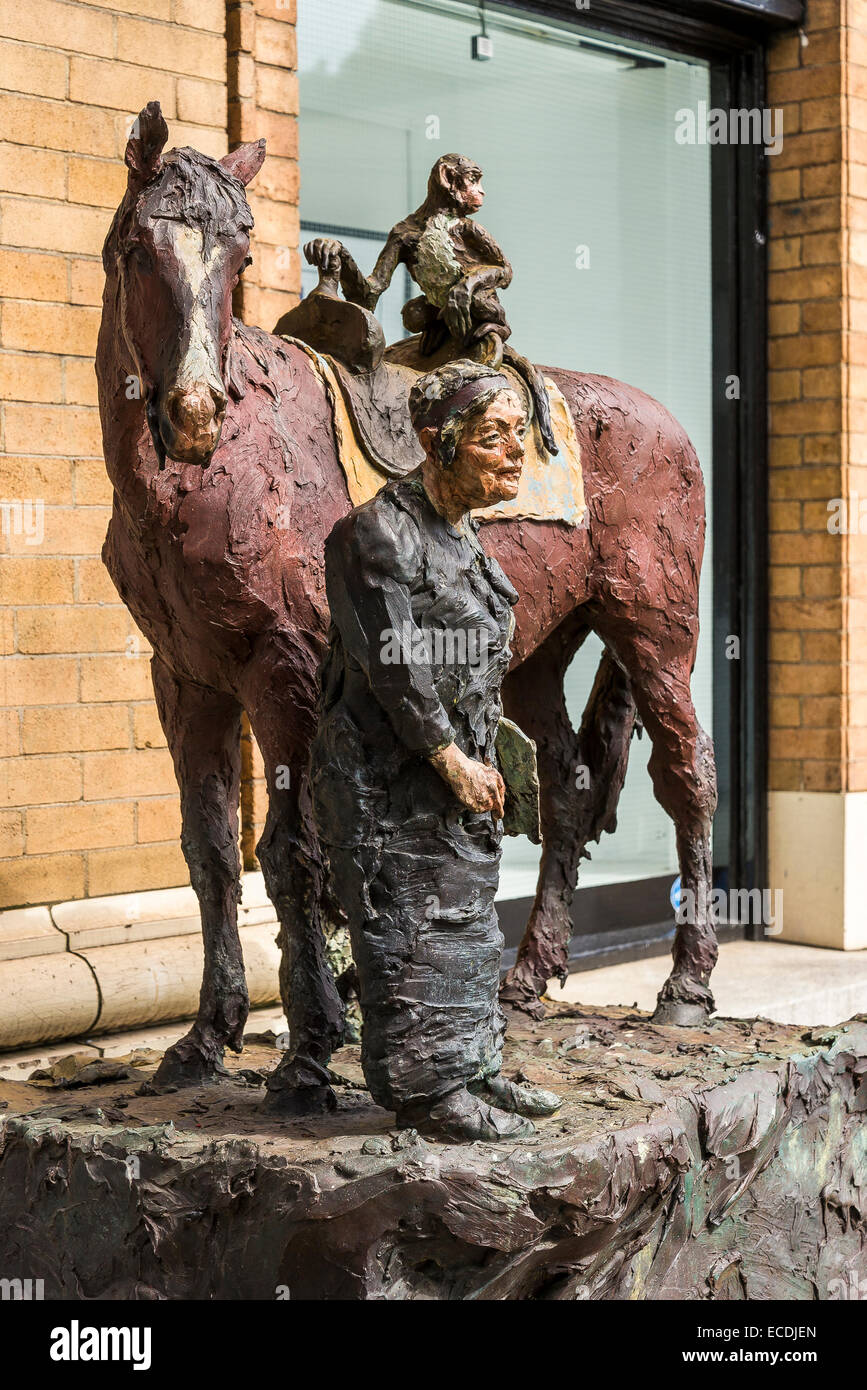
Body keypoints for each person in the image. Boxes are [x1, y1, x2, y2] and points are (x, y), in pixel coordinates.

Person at [310, 360, 561, 1142]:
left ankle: (473, 1066)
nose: (515, 453)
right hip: (389, 785)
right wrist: (447, 758)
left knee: (469, 925)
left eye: (518, 434)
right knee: (411, 931)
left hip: (461, 781)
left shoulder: (465, 536)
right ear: (435, 442)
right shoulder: (374, 533)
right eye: (493, 438)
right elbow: (393, 661)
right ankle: (427, 1092)